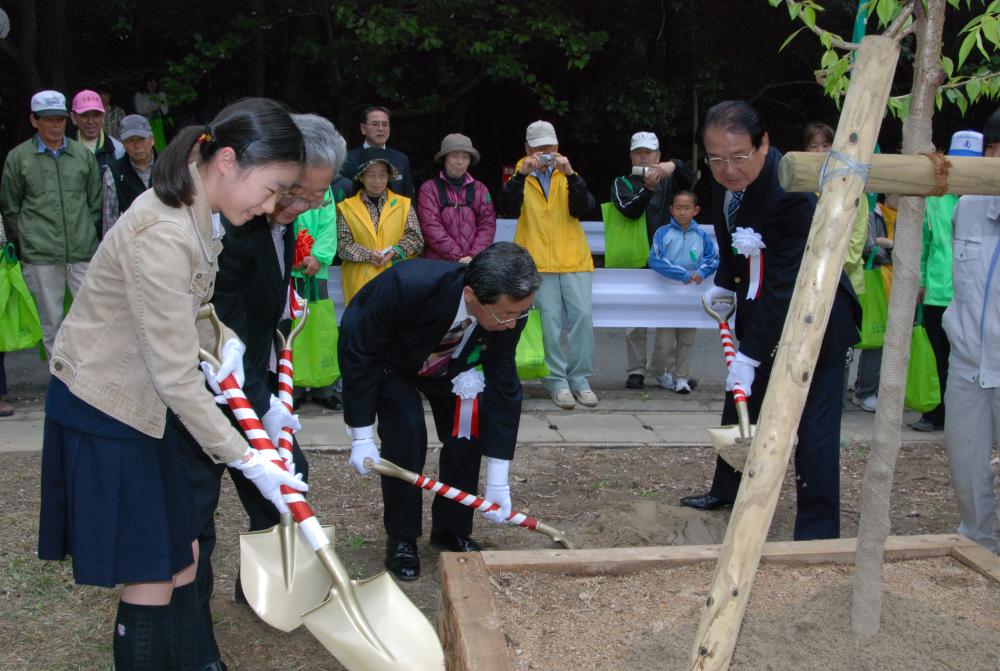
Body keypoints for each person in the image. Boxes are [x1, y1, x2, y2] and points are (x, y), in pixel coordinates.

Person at [36, 97, 308, 669]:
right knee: (154, 569)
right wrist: (247, 457)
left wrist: (223, 340)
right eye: (271, 189)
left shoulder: (196, 208)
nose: (271, 206)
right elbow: (175, 377)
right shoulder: (164, 231)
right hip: (109, 408)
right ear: (228, 161)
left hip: (147, 406)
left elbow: (194, 306)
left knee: (182, 556)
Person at [171, 112, 344, 664]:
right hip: (202, 391)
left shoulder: (280, 219)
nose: (308, 205)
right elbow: (222, 327)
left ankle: (262, 588)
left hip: (251, 379)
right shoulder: (227, 227)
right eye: (301, 192)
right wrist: (261, 404)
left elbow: (260, 309)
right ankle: (194, 642)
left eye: (317, 196)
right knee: (194, 516)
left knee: (287, 481)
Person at [679, 100, 859, 542]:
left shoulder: (791, 193)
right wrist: (724, 284)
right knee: (740, 399)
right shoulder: (724, 179)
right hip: (764, 308)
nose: (728, 169)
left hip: (816, 318)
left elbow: (785, 286)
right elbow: (731, 237)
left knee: (814, 426)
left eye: (739, 156)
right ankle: (727, 489)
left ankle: (817, 530)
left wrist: (750, 355)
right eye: (716, 158)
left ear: (764, 144)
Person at [339, 241, 541, 580]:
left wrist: (498, 481)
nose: (512, 324)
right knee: (407, 433)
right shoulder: (408, 284)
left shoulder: (511, 312)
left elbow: (504, 386)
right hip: (393, 361)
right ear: (472, 295)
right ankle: (402, 539)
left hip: (452, 366)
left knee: (467, 431)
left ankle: (451, 529)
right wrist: (361, 434)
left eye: (520, 313)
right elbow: (359, 347)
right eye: (505, 314)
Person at [497, 120, 598, 410]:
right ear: (527, 149)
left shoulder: (568, 173)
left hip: (574, 258)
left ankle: (580, 379)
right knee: (549, 323)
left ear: (557, 146)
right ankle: (556, 382)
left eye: (549, 146)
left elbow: (583, 208)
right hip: (537, 261)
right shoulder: (519, 175)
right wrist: (520, 176)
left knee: (582, 318)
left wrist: (572, 175)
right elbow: (506, 207)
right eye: (539, 147)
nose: (545, 152)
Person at [0, 90, 102, 356]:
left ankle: (88, 373)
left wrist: (85, 232)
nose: (55, 125)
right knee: (50, 322)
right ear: (34, 120)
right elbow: (11, 207)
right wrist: (28, 239)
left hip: (83, 250)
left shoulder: (81, 155)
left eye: (59, 119)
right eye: (48, 119)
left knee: (91, 317)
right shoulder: (18, 157)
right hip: (41, 254)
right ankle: (57, 375)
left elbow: (95, 202)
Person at [942, 108, 1000, 554]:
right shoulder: (969, 204)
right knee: (965, 460)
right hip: (967, 361)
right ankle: (978, 542)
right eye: (993, 151)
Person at [610, 131, 695, 390]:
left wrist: (675, 165)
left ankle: (665, 370)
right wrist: (648, 188)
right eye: (638, 152)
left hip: (669, 257)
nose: (643, 157)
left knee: (668, 316)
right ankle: (636, 370)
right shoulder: (622, 182)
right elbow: (629, 211)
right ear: (631, 156)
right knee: (634, 320)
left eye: (648, 152)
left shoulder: (671, 181)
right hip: (634, 257)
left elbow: (692, 181)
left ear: (658, 155)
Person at [912, 130, 983, 432]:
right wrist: (920, 280)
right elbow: (925, 243)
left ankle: (970, 417)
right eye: (957, 162)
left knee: (971, 357)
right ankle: (937, 412)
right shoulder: (936, 198)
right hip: (938, 290)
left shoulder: (988, 198)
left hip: (976, 293)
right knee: (938, 356)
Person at [291, 167, 352, 411]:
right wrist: (291, 255)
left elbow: (328, 224)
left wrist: (318, 256)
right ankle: (292, 387)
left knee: (321, 328)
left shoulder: (323, 185)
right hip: (289, 269)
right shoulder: (286, 179)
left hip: (318, 268)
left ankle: (324, 388)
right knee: (291, 328)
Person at [647, 190, 719, 393]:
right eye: (678, 208)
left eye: (687, 208)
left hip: (691, 295)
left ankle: (681, 377)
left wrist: (702, 272)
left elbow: (713, 259)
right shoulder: (662, 233)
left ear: (695, 210)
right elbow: (656, 260)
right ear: (671, 209)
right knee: (664, 341)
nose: (682, 212)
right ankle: (657, 370)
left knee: (687, 339)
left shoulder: (701, 235)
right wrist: (682, 274)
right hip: (667, 293)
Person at [336, 147, 423, 304]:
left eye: (382, 175)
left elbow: (416, 238)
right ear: (361, 177)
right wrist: (369, 255)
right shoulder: (347, 207)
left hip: (398, 279)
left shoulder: (403, 204)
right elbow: (343, 246)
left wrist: (394, 251)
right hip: (360, 284)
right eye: (371, 175)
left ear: (388, 177)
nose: (377, 181)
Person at [418, 133, 496, 262]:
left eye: (465, 157)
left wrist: (473, 256)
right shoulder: (429, 189)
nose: (460, 162)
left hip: (473, 263)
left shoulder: (480, 189)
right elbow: (430, 227)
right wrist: (458, 257)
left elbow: (487, 225)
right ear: (444, 158)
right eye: (454, 156)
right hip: (437, 265)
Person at [852, 197, 893, 413]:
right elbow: (868, 247)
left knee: (876, 338)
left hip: (883, 281)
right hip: (870, 280)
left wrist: (886, 244)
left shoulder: (883, 210)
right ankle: (865, 391)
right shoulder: (869, 207)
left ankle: (865, 389)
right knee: (873, 338)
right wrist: (892, 247)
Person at [338, 105, 414, 198]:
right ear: (363, 129)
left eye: (385, 124)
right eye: (375, 124)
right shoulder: (347, 160)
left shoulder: (401, 159)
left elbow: (408, 198)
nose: (381, 129)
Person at [101, 114, 157, 236]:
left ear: (152, 139)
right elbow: (110, 222)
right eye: (130, 140)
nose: (137, 146)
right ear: (123, 144)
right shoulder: (113, 172)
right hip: (130, 241)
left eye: (141, 139)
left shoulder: (168, 166)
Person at [70, 89, 125, 171]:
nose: (91, 121)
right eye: (84, 115)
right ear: (74, 118)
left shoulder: (118, 149)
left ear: (103, 117)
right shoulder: (64, 149)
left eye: (96, 115)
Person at [134, 73, 170, 151]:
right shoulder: (139, 95)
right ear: (145, 83)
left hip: (160, 124)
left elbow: (165, 111)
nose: (152, 84)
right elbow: (141, 111)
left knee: (161, 145)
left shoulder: (161, 95)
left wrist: (153, 107)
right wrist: (154, 107)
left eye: (155, 82)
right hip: (145, 125)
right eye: (150, 81)